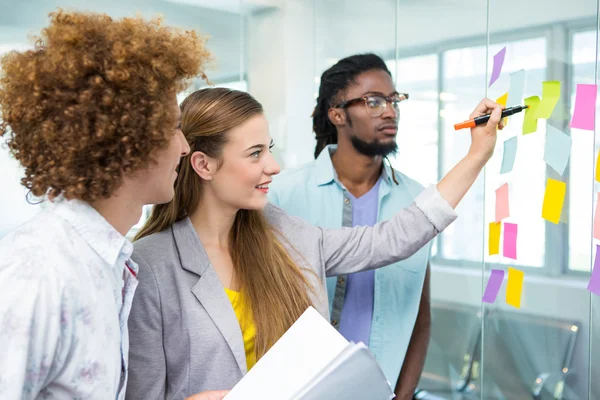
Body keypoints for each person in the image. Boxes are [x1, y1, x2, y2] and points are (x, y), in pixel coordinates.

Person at [126, 87, 503, 398]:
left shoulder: (286, 234)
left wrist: (477, 155)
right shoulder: (151, 266)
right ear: (203, 165)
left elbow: (392, 239)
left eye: (268, 148)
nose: (272, 166)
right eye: (255, 154)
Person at [0, 9, 225, 400]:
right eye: (174, 128)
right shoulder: (39, 272)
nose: (186, 148)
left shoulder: (108, 263)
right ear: (130, 140)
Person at [268, 53, 430, 398]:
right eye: (373, 101)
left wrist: (402, 396)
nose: (389, 111)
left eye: (393, 99)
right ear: (337, 114)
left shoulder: (419, 203)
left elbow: (419, 315)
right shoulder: (281, 195)